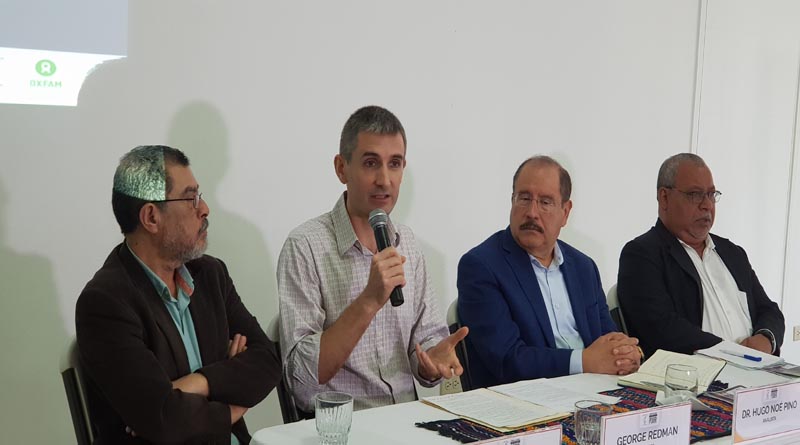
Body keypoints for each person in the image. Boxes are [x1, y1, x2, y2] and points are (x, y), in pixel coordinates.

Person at [76, 145, 280, 444]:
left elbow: (267, 361)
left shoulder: (210, 274)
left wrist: (198, 382)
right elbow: (163, 418)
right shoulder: (105, 303)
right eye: (190, 198)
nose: (204, 208)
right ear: (151, 217)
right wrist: (234, 403)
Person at [277, 105, 467, 413]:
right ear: (341, 168)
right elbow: (301, 381)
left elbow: (428, 339)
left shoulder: (408, 243)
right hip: (343, 424)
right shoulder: (305, 246)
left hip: (405, 418)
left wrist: (432, 361)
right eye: (370, 163)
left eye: (395, 164)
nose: (384, 179)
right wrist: (369, 300)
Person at [457, 156, 641, 389]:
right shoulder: (481, 266)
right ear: (512, 201)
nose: (532, 212)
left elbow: (608, 338)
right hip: (525, 399)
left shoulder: (583, 267)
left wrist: (626, 353)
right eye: (524, 198)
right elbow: (508, 360)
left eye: (545, 202)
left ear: (565, 212)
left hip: (594, 392)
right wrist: (584, 361)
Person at [617, 153, 784, 357]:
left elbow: (769, 310)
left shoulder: (732, 253)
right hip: (696, 372)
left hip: (757, 367)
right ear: (664, 197)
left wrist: (766, 339)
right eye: (695, 195)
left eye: (711, 194)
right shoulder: (642, 255)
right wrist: (734, 354)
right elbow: (661, 329)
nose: (707, 205)